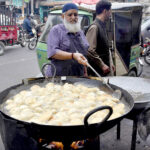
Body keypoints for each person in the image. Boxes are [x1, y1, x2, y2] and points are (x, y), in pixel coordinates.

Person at [46, 3, 89, 77]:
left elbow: (83, 54)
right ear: (63, 16)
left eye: (75, 15)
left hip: (78, 76)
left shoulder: (80, 32)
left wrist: (85, 71)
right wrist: (73, 55)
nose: (73, 17)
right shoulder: (56, 30)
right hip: (59, 76)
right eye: (70, 15)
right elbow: (53, 52)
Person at [86, 0, 114, 76]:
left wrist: (110, 63)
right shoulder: (95, 27)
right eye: (110, 11)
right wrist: (102, 65)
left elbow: (105, 48)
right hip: (96, 73)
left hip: (103, 72)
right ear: (105, 11)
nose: (110, 14)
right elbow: (89, 50)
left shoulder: (102, 25)